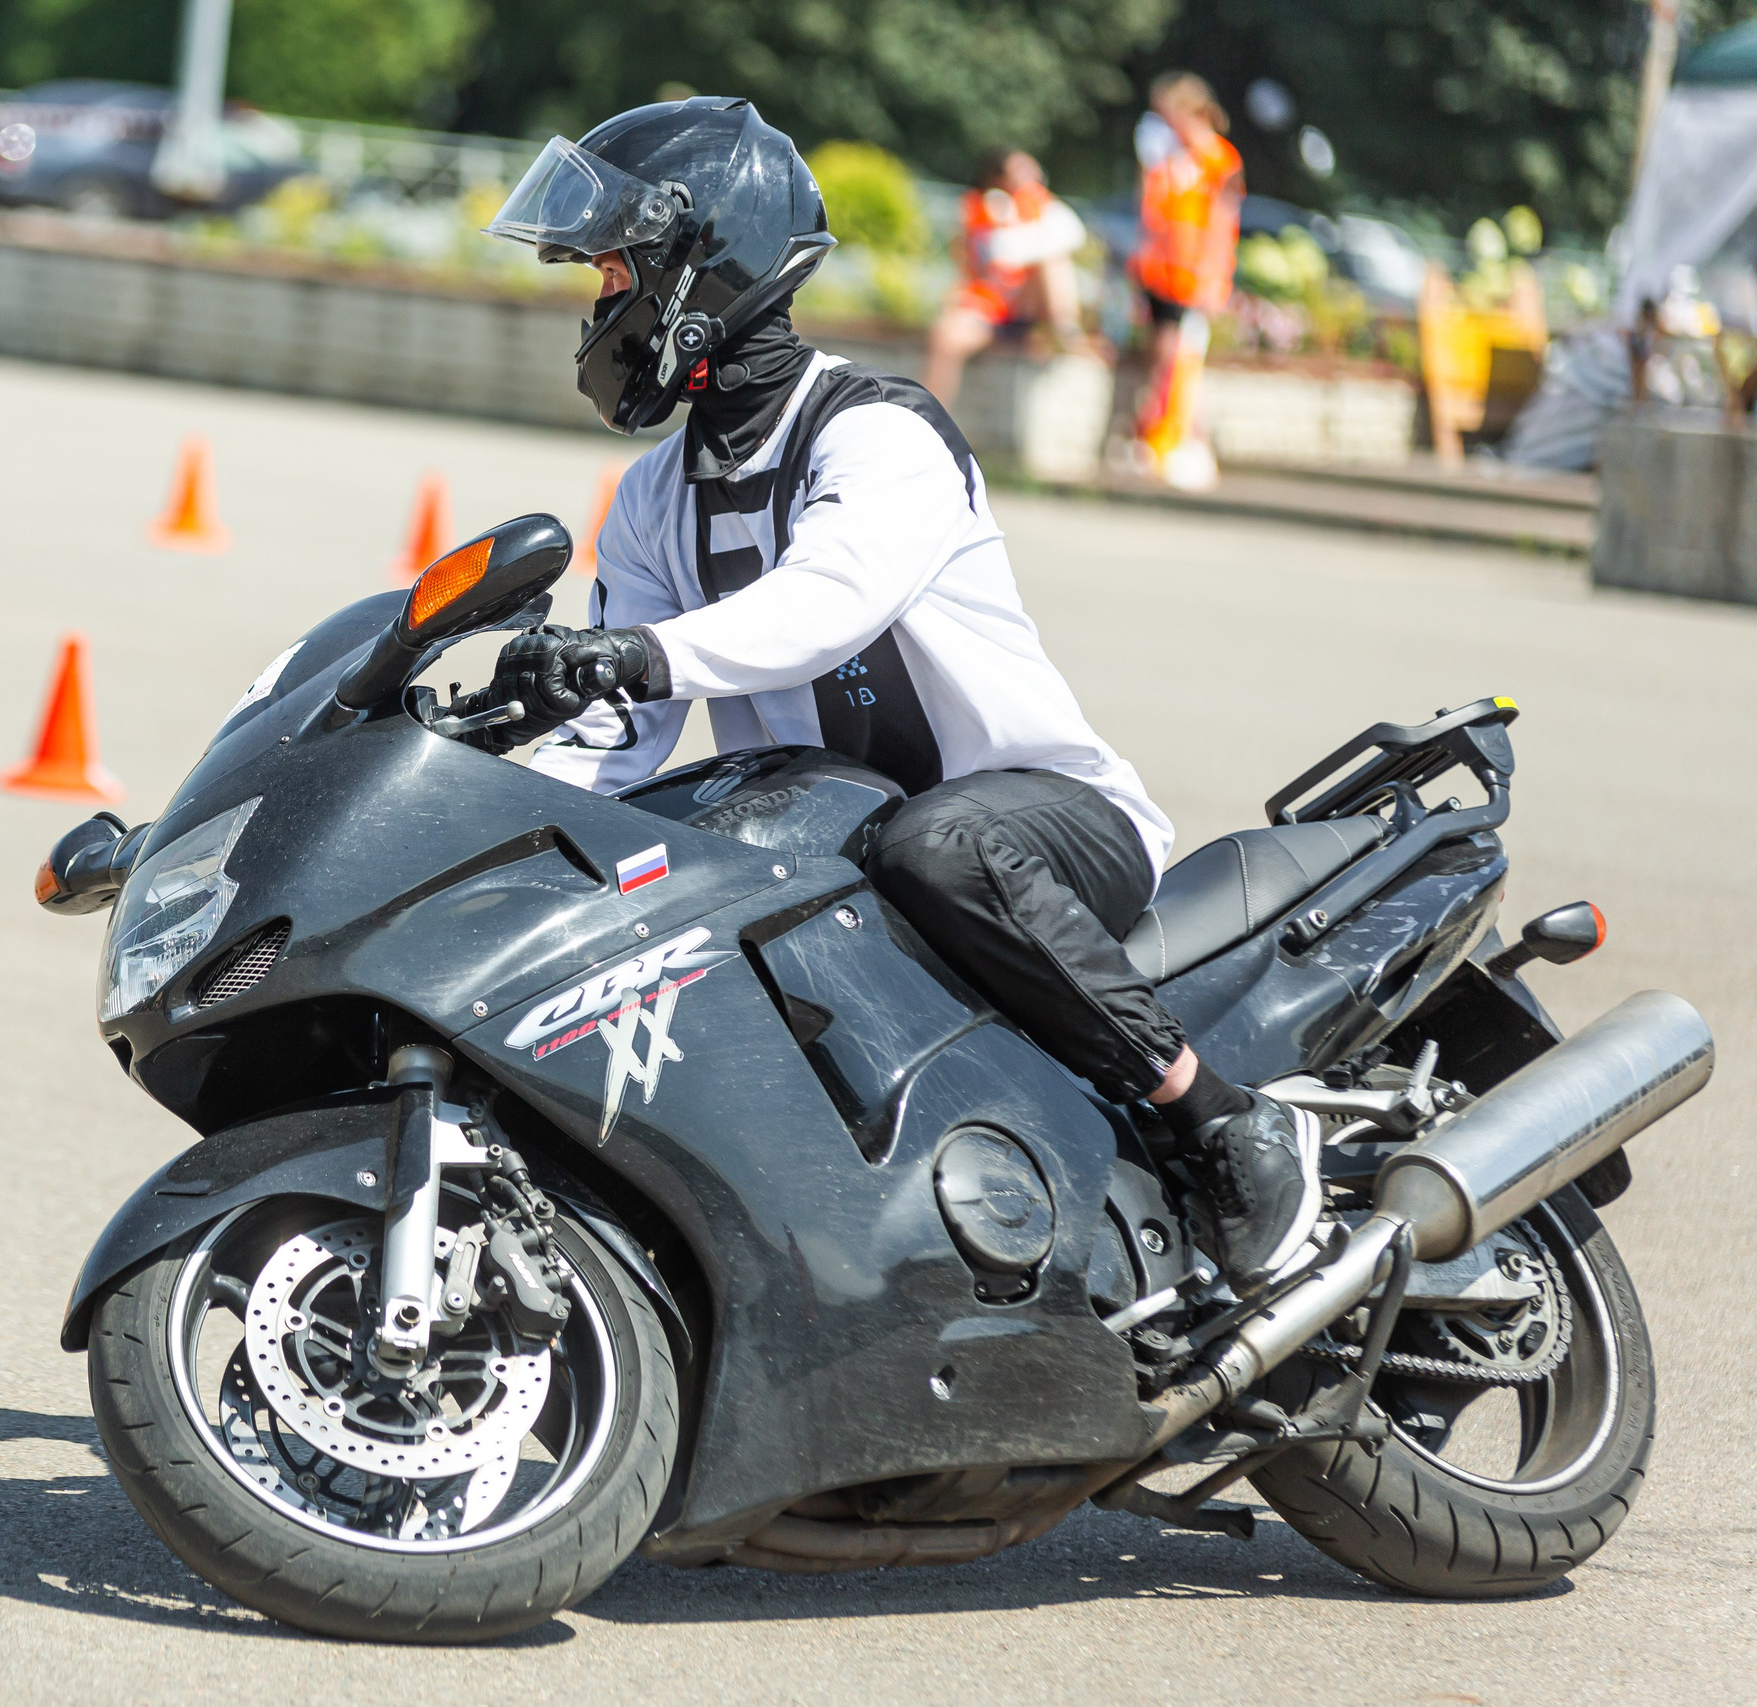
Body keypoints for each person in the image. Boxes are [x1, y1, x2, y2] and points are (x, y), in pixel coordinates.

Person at [474, 97, 1319, 1289]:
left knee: (937, 844)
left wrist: (641, 653)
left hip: (1038, 825)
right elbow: (618, 739)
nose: (597, 308)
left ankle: (1222, 1117)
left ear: (699, 266)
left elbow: (827, 601)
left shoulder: (877, 434)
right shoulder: (659, 496)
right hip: (849, 850)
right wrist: (474, 811)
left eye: (612, 276)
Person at [1129, 71, 1244, 491]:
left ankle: (1194, 443)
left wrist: (1214, 278)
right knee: (1166, 359)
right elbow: (1154, 215)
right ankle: (1163, 439)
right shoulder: (1172, 160)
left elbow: (1222, 220)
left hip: (1194, 278)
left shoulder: (1219, 159)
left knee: (1184, 359)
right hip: (1163, 274)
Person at [923, 147, 1087, 407]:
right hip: (993, 308)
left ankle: (1065, 333)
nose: (1030, 175)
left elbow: (1068, 235)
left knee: (1053, 261)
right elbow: (980, 263)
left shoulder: (1042, 207)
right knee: (946, 336)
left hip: (1027, 303)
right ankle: (928, 415)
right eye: (1020, 170)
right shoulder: (978, 209)